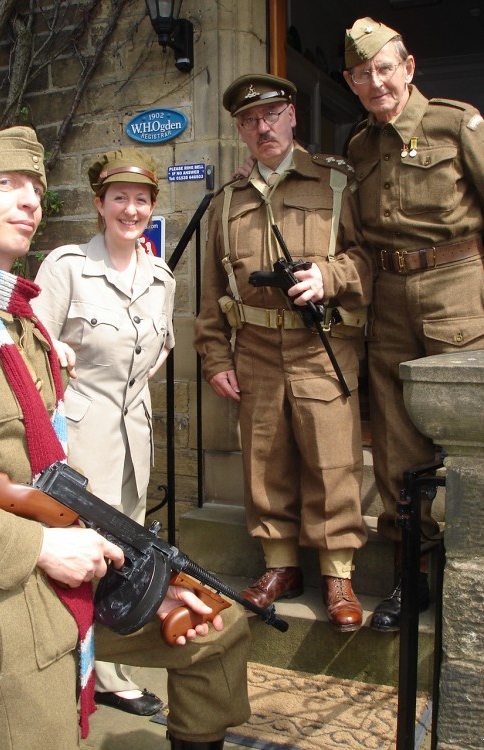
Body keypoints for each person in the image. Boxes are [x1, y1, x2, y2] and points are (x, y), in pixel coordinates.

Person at [0, 126, 251, 750]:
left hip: (66, 553)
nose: (29, 202)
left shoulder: (16, 324)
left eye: (36, 190)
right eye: (5, 184)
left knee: (216, 626)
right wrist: (40, 545)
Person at [194, 74, 373, 633]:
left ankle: (338, 573)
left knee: (332, 459)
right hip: (255, 350)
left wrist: (328, 274)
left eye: (271, 114)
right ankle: (281, 566)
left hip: (323, 345)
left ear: (292, 115)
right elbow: (209, 293)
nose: (262, 127)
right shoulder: (226, 202)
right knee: (264, 460)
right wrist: (214, 358)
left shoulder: (336, 184)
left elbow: (367, 260)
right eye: (249, 120)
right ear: (240, 131)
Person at [342, 18, 484, 631]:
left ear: (409, 67)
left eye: (384, 69)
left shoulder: (458, 124)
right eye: (362, 76)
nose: (376, 84)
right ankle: (413, 577)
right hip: (389, 299)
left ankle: (474, 576)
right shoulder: (358, 148)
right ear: (350, 83)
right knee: (399, 450)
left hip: (459, 290)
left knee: (472, 439)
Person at [32, 147, 173, 716]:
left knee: (126, 557)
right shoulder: (66, 266)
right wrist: (55, 350)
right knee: (81, 557)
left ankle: (106, 668)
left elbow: (159, 348)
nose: (131, 209)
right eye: (120, 198)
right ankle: (74, 669)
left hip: (134, 438)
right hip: (79, 442)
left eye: (141, 200)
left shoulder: (160, 276)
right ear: (100, 204)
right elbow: (31, 343)